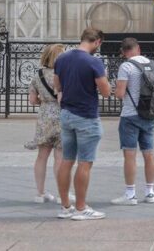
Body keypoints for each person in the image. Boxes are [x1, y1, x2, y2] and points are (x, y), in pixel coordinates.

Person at [53, 28, 111, 221]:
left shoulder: (62, 59)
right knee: (85, 163)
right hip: (86, 116)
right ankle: (80, 208)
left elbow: (57, 86)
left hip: (66, 114)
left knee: (66, 160)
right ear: (97, 42)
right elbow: (106, 92)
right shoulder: (94, 61)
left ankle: (65, 206)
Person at [111, 38, 154, 206]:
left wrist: (114, 88)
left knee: (130, 155)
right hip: (149, 114)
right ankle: (150, 192)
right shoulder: (153, 64)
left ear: (124, 52)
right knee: (149, 153)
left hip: (130, 115)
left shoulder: (126, 66)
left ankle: (131, 194)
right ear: (138, 48)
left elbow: (120, 93)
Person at [25, 43, 72, 203]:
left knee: (41, 156)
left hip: (44, 117)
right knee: (60, 157)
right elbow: (63, 98)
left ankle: (40, 193)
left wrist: (44, 101)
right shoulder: (63, 75)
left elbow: (32, 100)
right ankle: (62, 194)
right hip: (61, 116)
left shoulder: (37, 75)